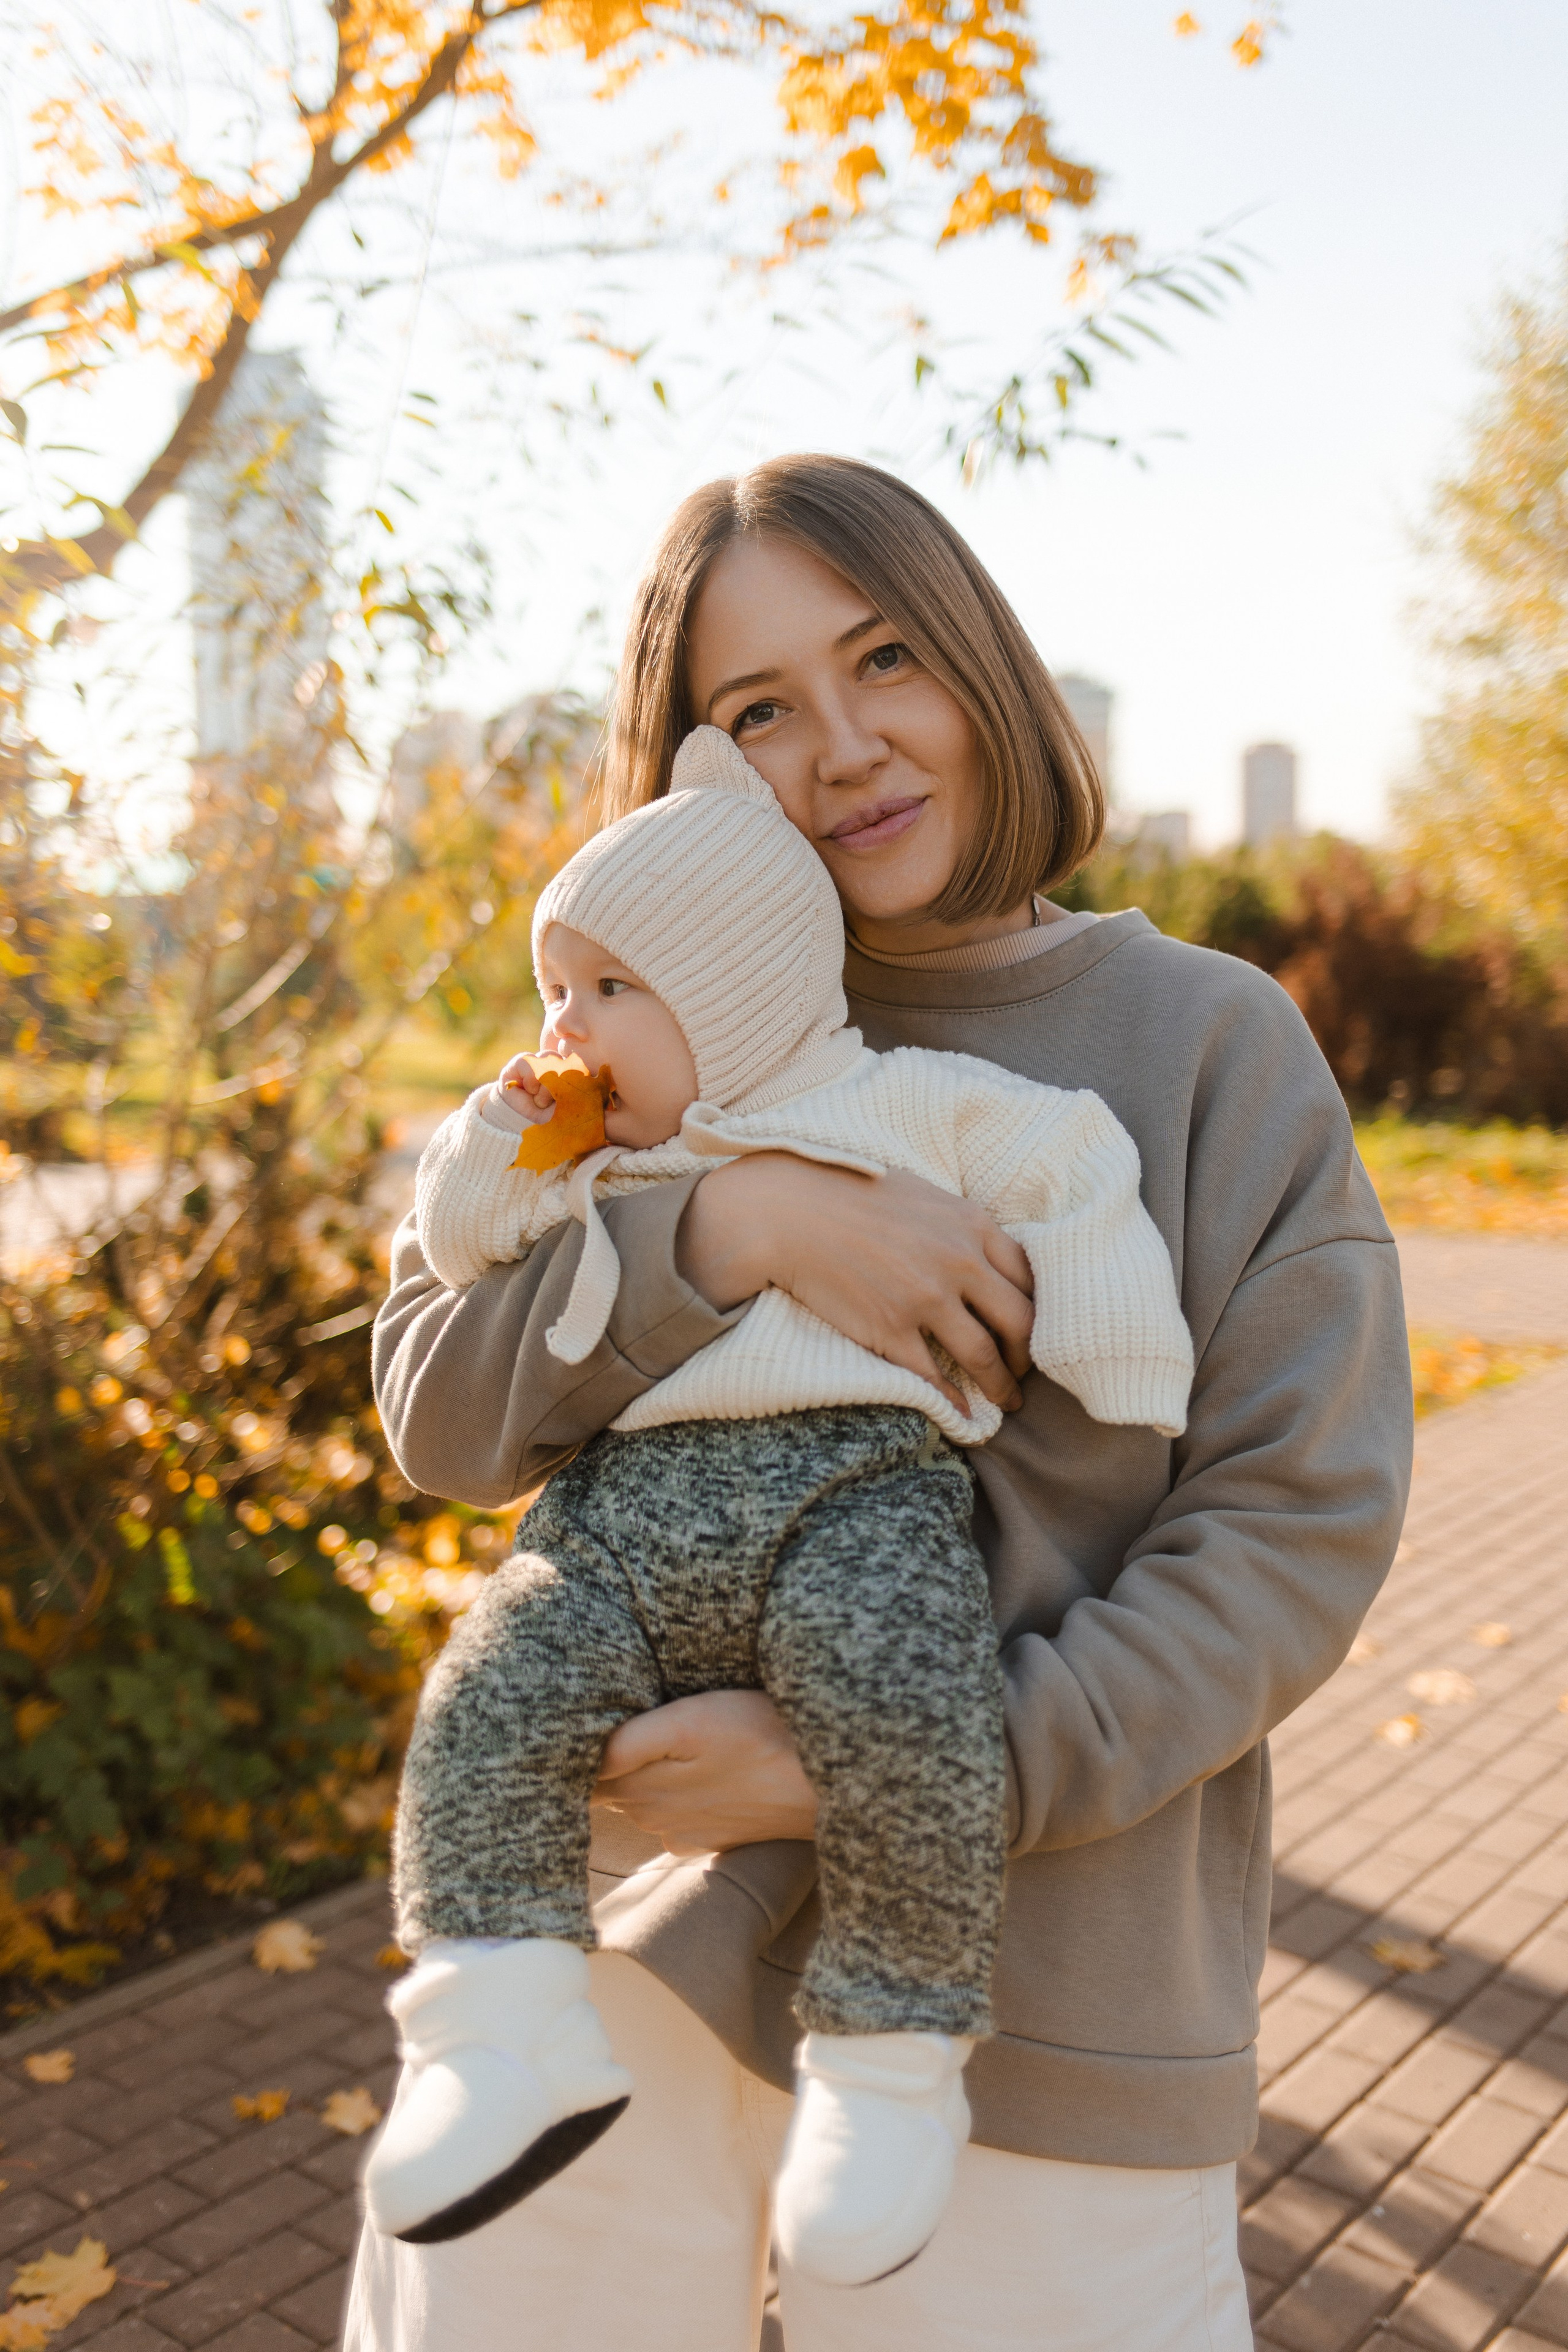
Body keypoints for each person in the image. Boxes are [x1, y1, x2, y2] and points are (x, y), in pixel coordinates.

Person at [345, 453, 1412, 2352]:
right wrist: (736, 1229)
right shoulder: (621, 1049)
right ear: (692, 762)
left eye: (887, 657)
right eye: (758, 708)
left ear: (984, 664)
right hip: (617, 1934)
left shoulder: (1202, 1042)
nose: (842, 746)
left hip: (1050, 1990)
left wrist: (943, 1756)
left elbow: (1293, 1526)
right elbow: (433, 1401)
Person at [367, 725, 1193, 2283]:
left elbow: (1058, 1156)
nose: (567, 1025)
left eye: (611, 991)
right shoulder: (595, 1164)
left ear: (735, 990)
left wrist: (1112, 1341)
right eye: (558, 985)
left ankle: (890, 2058)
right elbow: (458, 1252)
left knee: (901, 1699)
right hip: (613, 1526)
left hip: (853, 1501)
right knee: (484, 1700)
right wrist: (503, 1133)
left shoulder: (897, 1105)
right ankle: (492, 2021)